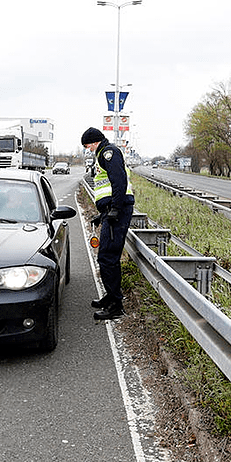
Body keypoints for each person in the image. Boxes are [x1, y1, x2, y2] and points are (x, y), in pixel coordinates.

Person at [81, 126, 134, 320]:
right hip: (112, 211)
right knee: (106, 256)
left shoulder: (108, 152)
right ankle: (110, 297)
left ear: (94, 142)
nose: (88, 149)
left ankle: (115, 305)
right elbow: (107, 187)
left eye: (88, 146)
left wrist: (115, 209)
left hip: (118, 211)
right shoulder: (102, 154)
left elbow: (119, 182)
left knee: (107, 257)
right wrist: (103, 213)